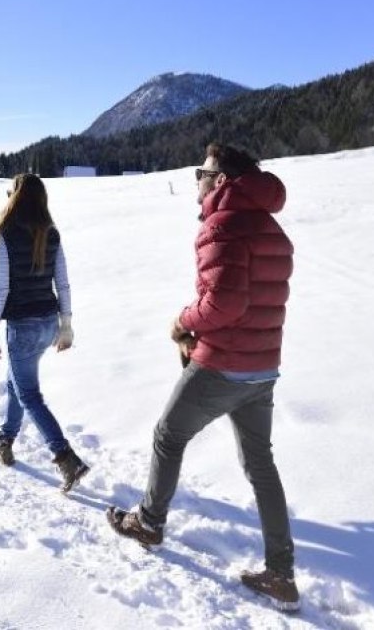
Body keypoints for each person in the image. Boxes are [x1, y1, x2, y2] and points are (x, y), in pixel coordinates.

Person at [106, 143, 300, 612]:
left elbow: (225, 305)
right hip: (262, 366)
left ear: (222, 180)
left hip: (223, 363)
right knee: (260, 464)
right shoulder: (269, 225)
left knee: (168, 435)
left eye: (202, 172)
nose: (196, 181)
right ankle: (281, 572)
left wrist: (182, 322)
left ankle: (149, 524)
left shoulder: (223, 224)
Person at [0, 173, 90, 493]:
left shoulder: (5, 233)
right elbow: (64, 282)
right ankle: (4, 441)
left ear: (14, 199)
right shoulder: (51, 232)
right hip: (48, 324)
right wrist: (67, 325)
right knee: (16, 382)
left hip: (23, 327)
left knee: (29, 394)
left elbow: (2, 285)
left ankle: (66, 458)